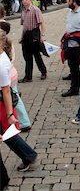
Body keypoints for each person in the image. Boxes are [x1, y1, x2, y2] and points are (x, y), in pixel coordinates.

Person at [0, 29, 38, 173]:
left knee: (8, 133)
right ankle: (29, 156)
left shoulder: (2, 63)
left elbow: (6, 90)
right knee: (7, 134)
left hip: (3, 103)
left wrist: (10, 114)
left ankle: (29, 156)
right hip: (2, 101)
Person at [61, 0, 80, 97]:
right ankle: (74, 88)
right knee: (73, 67)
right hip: (70, 44)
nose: (67, 3)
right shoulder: (70, 12)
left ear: (75, 2)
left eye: (69, 1)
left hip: (79, 45)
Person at [19, 0, 47, 83]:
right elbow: (24, 25)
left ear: (30, 0)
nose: (24, 1)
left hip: (34, 34)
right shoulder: (23, 10)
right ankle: (28, 76)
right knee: (27, 56)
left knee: (37, 55)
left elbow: (41, 23)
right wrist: (22, 37)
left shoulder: (35, 10)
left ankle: (43, 72)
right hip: (26, 35)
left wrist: (42, 35)